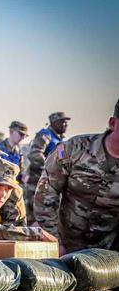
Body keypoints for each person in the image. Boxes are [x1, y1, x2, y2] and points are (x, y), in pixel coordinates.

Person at [34, 99, 119, 254]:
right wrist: (54, 243)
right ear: (113, 123)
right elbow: (46, 193)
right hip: (65, 245)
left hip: (110, 253)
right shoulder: (74, 149)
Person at [25, 111, 70, 223]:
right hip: (38, 182)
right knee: (34, 216)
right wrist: (51, 167)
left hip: (53, 184)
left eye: (66, 122)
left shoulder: (60, 140)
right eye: (62, 121)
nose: (66, 124)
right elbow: (35, 154)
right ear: (54, 122)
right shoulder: (45, 135)